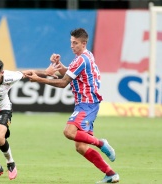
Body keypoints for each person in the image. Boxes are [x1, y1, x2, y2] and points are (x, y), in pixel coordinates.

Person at [26, 28, 120, 183]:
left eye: (75, 43)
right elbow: (70, 73)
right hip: (85, 103)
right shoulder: (85, 56)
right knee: (81, 147)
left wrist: (39, 79)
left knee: (69, 132)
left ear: (83, 43)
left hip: (87, 103)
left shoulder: (81, 59)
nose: (71, 46)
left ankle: (101, 143)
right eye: (71, 42)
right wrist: (58, 65)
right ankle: (110, 174)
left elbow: (63, 83)